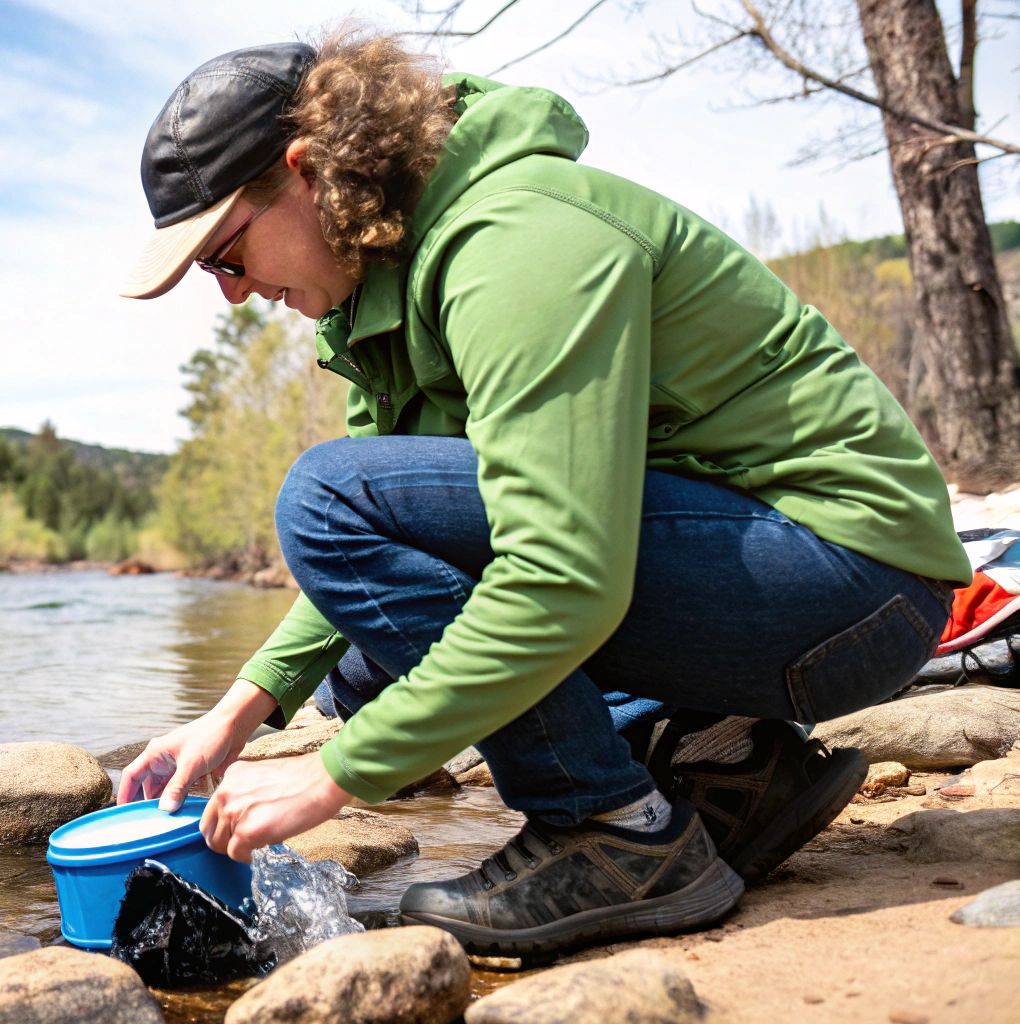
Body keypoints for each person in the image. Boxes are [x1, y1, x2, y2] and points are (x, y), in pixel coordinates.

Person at [114, 31, 972, 960]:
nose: (234, 295)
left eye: (224, 256)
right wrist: (238, 713)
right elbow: (386, 547)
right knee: (361, 667)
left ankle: (615, 832)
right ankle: (729, 769)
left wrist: (333, 776)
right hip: (786, 578)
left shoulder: (513, 239)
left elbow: (558, 574)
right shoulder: (384, 286)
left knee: (323, 500)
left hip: (849, 585)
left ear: (309, 171)